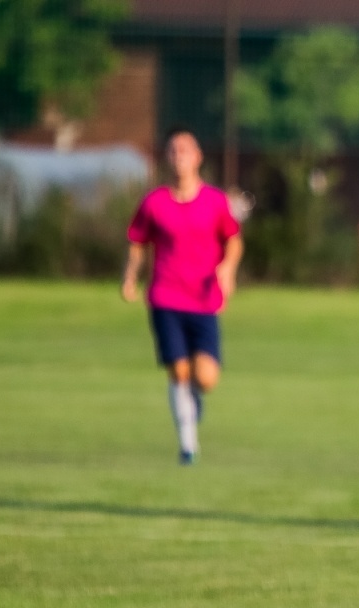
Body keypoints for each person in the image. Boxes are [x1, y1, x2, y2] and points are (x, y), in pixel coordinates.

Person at [122, 128, 243, 465]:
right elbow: (137, 242)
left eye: (185, 151)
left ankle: (193, 402)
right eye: (173, 151)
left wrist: (227, 271)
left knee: (204, 378)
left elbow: (233, 240)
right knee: (178, 371)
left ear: (198, 157)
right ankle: (188, 445)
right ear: (167, 158)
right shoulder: (154, 202)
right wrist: (130, 276)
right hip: (165, 296)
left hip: (204, 299)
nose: (179, 158)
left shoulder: (215, 202)